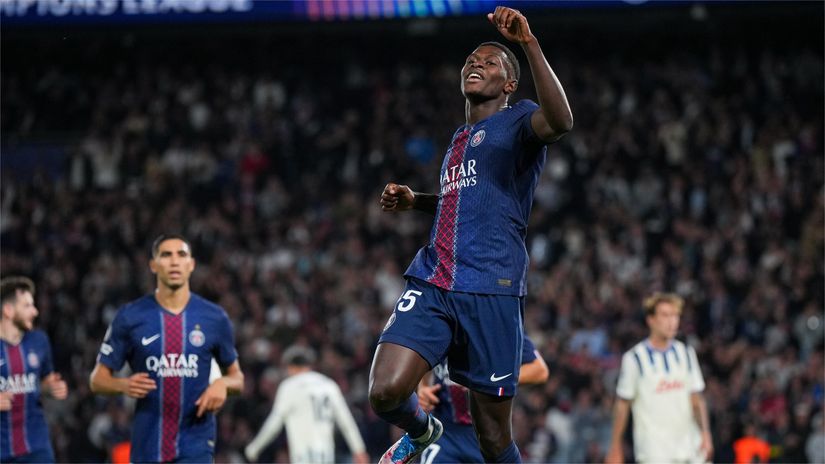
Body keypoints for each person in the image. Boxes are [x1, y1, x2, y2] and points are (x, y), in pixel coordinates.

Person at [369, 5, 573, 464]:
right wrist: (416, 200)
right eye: (470, 61)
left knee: (493, 438)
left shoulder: (521, 121)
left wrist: (528, 44)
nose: (476, 64)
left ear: (509, 84)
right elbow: (463, 202)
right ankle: (422, 433)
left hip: (491, 288)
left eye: (490, 62)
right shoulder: (459, 140)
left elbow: (562, 123)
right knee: (385, 392)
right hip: (435, 279)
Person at [89, 234, 244, 463]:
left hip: (196, 445)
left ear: (191, 265)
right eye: (166, 255)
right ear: (153, 265)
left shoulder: (214, 317)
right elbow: (97, 380)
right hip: (148, 447)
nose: (174, 261)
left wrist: (222, 384)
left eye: (181, 255)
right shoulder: (130, 316)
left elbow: (237, 379)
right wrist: (123, 384)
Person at [605, 292, 713, 464]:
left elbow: (696, 398)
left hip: (690, 446)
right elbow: (623, 404)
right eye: (665, 315)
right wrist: (615, 446)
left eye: (675, 315)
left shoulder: (686, 353)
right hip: (654, 451)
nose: (672, 321)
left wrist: (705, 433)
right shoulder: (634, 358)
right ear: (651, 320)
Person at [417, 337, 549, 464]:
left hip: (487, 437)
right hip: (445, 434)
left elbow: (539, 370)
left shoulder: (498, 325)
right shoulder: (445, 321)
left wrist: (489, 381)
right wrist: (423, 386)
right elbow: (423, 351)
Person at [244, 345, 370, 464]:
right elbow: (345, 421)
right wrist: (359, 449)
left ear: (291, 366)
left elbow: (274, 422)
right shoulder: (329, 385)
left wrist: (255, 448)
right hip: (325, 453)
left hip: (302, 454)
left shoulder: (289, 386)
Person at [0, 276, 68, 463]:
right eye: (27, 306)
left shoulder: (39, 341)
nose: (35, 311)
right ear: (8, 310)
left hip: (36, 447)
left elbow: (45, 380)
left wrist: (50, 388)